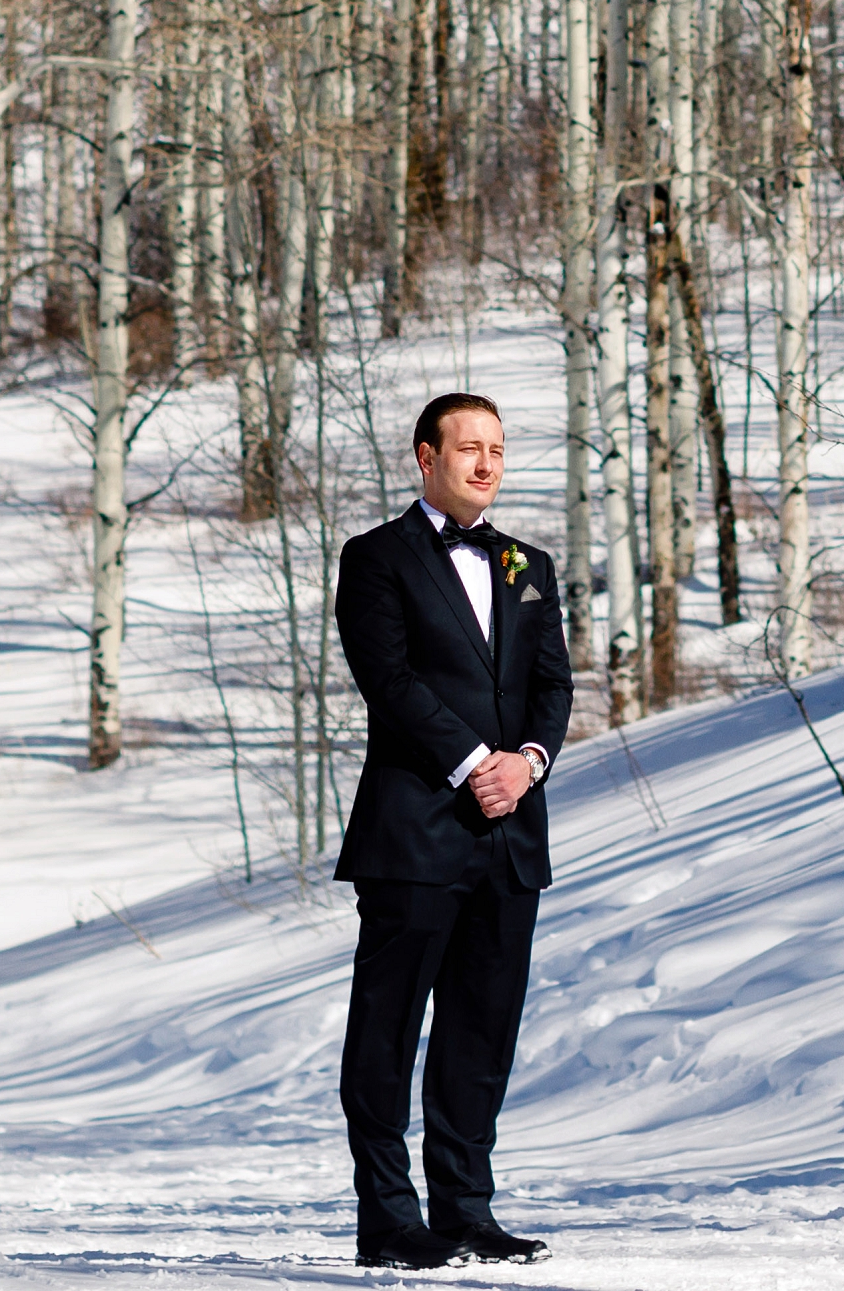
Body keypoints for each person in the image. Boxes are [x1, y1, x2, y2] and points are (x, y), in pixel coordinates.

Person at [331, 391, 574, 1270]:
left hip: (511, 836)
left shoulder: (529, 562)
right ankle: (389, 1219)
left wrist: (530, 761)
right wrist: (476, 760)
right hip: (415, 829)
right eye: (468, 446)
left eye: (498, 450)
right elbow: (386, 679)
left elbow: (552, 683)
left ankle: (466, 1210)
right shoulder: (375, 557)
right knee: (387, 1031)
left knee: (481, 1031)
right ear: (424, 456)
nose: (485, 463)